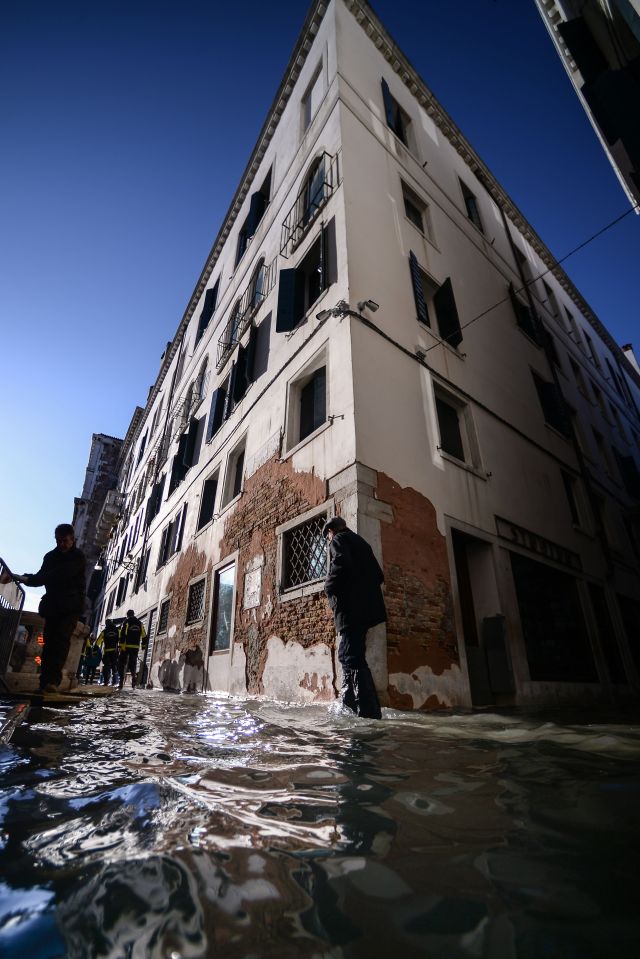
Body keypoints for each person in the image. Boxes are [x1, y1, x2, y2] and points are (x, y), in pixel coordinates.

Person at [323, 516, 385, 719]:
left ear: (332, 531)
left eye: (328, 536)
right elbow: (379, 575)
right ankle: (349, 703)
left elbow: (340, 563)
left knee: (351, 656)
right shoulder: (362, 543)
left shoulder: (339, 540)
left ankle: (368, 711)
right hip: (367, 610)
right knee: (348, 654)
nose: (328, 540)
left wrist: (328, 587)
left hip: (352, 610)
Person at [16, 523, 86, 693]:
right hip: (53, 605)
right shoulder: (50, 557)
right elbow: (42, 576)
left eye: (65, 541)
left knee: (61, 641)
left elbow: (59, 575)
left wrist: (28, 579)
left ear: (72, 540)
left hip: (71, 606)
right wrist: (22, 577)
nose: (61, 544)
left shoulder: (78, 557)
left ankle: (53, 682)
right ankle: (45, 682)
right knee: (49, 643)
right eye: (59, 541)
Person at [117, 609, 146, 690]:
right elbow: (144, 635)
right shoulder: (140, 623)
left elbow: (123, 634)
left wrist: (121, 646)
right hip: (135, 647)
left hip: (126, 647)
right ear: (133, 614)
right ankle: (133, 679)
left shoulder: (126, 622)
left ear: (127, 615)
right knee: (133, 664)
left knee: (122, 664)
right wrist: (143, 646)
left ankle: (120, 683)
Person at [97, 619, 120, 686]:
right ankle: (114, 682)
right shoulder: (117, 630)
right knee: (114, 666)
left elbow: (98, 641)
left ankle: (106, 682)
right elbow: (121, 638)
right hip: (114, 652)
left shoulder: (104, 631)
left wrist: (95, 648)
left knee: (106, 667)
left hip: (107, 652)